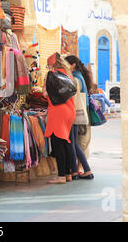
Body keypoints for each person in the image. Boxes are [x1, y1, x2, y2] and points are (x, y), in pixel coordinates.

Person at [42, 52, 76, 184]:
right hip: (69, 111)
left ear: (51, 64)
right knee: (65, 141)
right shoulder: (67, 75)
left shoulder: (52, 75)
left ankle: (61, 175)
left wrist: (45, 84)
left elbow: (46, 93)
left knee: (58, 143)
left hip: (58, 111)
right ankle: (67, 174)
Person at [65, 55, 94, 180]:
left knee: (74, 143)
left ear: (72, 65)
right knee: (74, 142)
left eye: (67, 65)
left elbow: (70, 96)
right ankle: (79, 170)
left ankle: (82, 170)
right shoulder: (79, 76)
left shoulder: (75, 79)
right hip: (79, 112)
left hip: (75, 113)